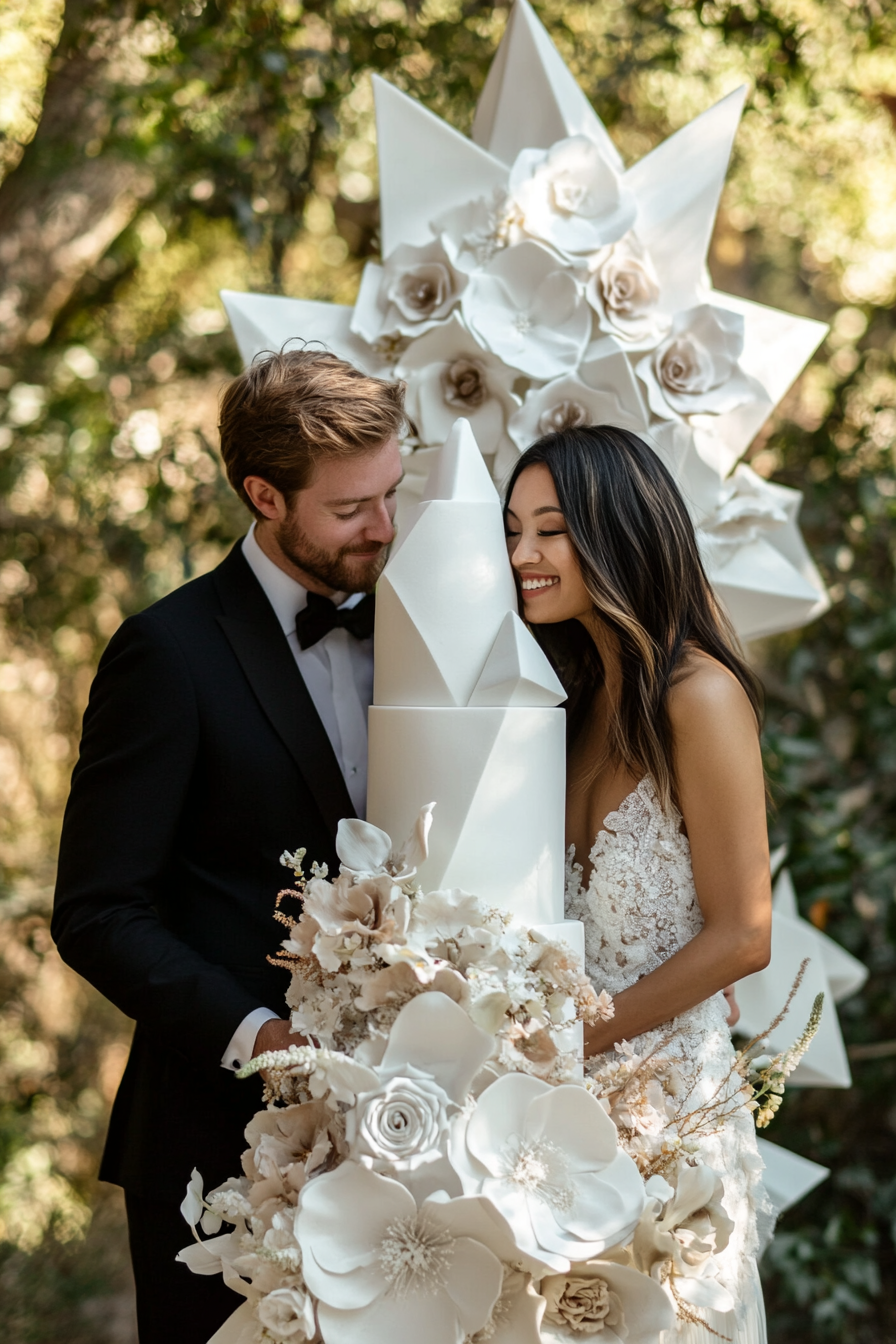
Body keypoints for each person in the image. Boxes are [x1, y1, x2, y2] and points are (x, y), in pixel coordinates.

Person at [52, 348, 405, 1344]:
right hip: (218, 1142)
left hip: (405, 1132)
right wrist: (262, 1039)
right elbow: (97, 912)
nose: (381, 526)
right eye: (348, 510)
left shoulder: (427, 620)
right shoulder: (166, 654)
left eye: (389, 492)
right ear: (263, 495)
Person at [503, 424, 772, 1342]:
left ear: (616, 531)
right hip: (552, 1129)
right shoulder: (568, 703)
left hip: (670, 1120)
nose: (523, 555)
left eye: (549, 529)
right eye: (511, 531)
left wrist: (575, 1041)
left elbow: (744, 933)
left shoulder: (700, 696)